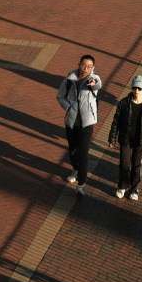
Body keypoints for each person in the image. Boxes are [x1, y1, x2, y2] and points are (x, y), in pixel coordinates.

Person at [56, 54, 102, 195]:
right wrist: (68, 107)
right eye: (83, 65)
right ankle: (75, 169)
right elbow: (60, 96)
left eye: (89, 66)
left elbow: (97, 84)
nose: (86, 68)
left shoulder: (93, 79)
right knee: (73, 150)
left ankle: (81, 184)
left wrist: (92, 83)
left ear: (93, 68)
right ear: (79, 64)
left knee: (83, 153)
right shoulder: (70, 79)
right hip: (71, 121)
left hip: (87, 123)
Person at [108, 75, 142, 201]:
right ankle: (123, 186)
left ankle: (134, 189)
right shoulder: (123, 103)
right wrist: (111, 138)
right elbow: (116, 122)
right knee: (124, 164)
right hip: (126, 140)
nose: (136, 91)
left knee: (137, 166)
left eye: (139, 88)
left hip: (141, 141)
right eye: (134, 88)